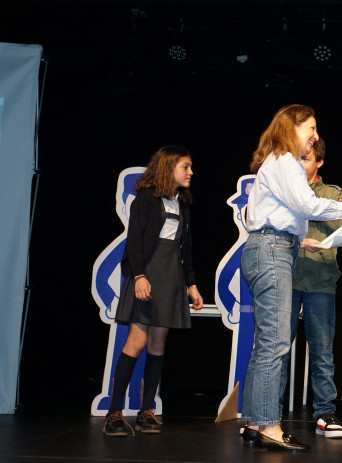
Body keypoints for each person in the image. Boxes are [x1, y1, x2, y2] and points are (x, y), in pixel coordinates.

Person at [239, 104, 342, 451]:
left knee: (266, 343)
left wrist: (301, 239)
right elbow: (308, 205)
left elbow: (287, 211)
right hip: (271, 249)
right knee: (275, 342)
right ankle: (269, 426)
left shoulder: (277, 161)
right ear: (291, 126)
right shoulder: (284, 159)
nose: (315, 135)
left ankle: (255, 421)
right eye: (310, 128)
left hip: (271, 247)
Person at [102, 145, 204, 437]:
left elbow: (187, 249)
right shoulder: (146, 198)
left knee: (158, 343)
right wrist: (139, 276)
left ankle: (147, 412)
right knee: (137, 338)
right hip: (147, 272)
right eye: (185, 166)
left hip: (172, 275)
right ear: (168, 167)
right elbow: (134, 240)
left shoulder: (182, 203)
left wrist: (191, 284)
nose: (190, 172)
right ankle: (114, 413)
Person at [281, 137, 342, 438]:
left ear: (318, 162)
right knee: (279, 348)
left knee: (322, 350)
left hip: (321, 278)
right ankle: (272, 411)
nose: (300, 164)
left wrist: (316, 236)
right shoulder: (284, 189)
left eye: (306, 159)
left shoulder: (332, 193)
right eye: (297, 159)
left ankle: (325, 413)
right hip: (288, 277)